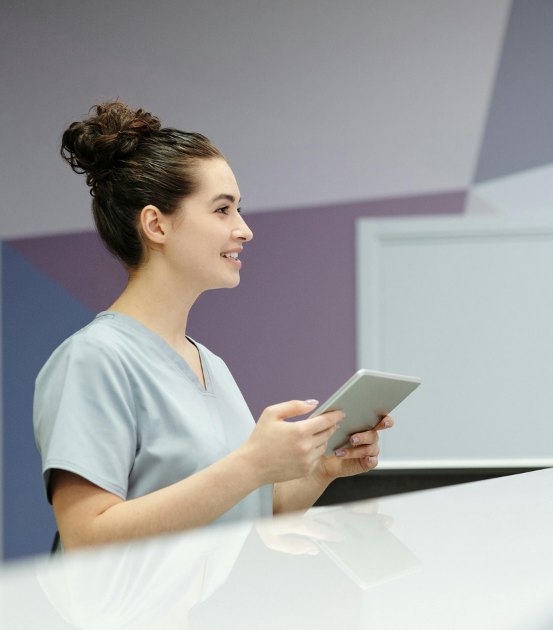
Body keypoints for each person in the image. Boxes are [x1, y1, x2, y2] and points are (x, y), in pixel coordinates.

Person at [34, 101, 390, 550]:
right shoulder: (94, 359)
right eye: (222, 210)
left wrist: (323, 468)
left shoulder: (211, 366)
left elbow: (243, 511)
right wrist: (252, 465)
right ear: (156, 224)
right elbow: (86, 536)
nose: (244, 230)